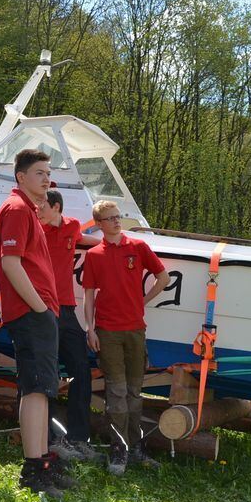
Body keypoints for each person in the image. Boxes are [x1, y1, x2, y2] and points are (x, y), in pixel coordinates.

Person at [0, 149, 71, 497]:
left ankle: (42, 462)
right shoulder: (16, 209)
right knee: (37, 389)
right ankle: (33, 470)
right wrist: (40, 308)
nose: (47, 178)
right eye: (39, 172)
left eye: (49, 172)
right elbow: (9, 262)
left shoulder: (27, 212)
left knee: (39, 389)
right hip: (32, 314)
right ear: (21, 177)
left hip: (37, 313)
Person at [82, 200, 170, 475]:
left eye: (118, 217)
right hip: (108, 332)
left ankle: (137, 448)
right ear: (99, 224)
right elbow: (88, 295)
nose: (116, 221)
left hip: (135, 330)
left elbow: (163, 277)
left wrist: (143, 301)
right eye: (110, 218)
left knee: (135, 392)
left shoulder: (138, 247)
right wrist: (90, 328)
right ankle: (118, 450)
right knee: (116, 393)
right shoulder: (94, 254)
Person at [38, 189, 101, 461]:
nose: (38, 209)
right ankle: (50, 439)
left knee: (81, 371)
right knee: (47, 373)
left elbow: (86, 240)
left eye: (43, 205)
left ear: (56, 207)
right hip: (41, 309)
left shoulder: (72, 226)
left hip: (67, 309)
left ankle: (78, 438)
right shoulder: (34, 229)